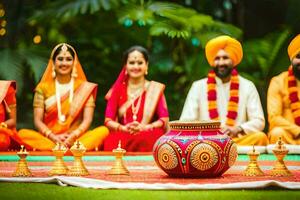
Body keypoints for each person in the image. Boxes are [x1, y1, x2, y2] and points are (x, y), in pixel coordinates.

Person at [180, 35, 268, 147]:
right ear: (212, 62)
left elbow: (259, 121)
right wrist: (208, 132)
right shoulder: (198, 86)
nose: (221, 63)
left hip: (237, 140)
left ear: (233, 60)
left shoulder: (247, 86)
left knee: (260, 138)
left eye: (225, 58)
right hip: (207, 142)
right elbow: (186, 121)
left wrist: (237, 129)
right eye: (217, 58)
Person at [18, 43, 109, 151]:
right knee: (22, 133)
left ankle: (64, 149)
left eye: (68, 59)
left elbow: (87, 120)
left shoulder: (84, 87)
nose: (64, 63)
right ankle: (67, 149)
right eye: (60, 59)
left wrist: (73, 136)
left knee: (103, 131)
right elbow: (38, 121)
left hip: (76, 138)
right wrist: (54, 137)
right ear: (53, 62)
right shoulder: (43, 88)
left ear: (74, 62)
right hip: (50, 138)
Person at [103, 46, 169, 152]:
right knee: (112, 141)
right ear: (125, 66)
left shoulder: (155, 88)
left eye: (140, 62)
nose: (136, 66)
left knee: (151, 139)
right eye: (132, 63)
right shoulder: (117, 90)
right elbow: (108, 120)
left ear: (146, 65)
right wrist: (123, 128)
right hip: (123, 133)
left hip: (147, 133)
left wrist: (145, 127)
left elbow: (164, 119)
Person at [267, 34, 300, 145]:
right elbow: (274, 117)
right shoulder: (278, 81)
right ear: (291, 60)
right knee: (277, 133)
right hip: (288, 136)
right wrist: (297, 130)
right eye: (298, 57)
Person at [0, 81, 19, 150]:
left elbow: (13, 121)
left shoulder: (5, 88)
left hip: (1, 131)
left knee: (2, 141)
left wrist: (2, 126)